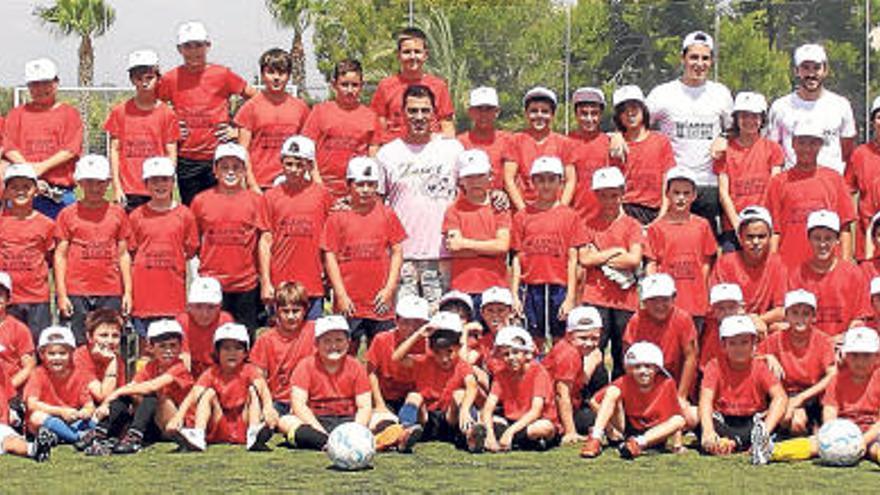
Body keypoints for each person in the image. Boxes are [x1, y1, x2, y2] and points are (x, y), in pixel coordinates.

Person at [639, 30, 733, 233]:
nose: (699, 64)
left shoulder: (721, 94)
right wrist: (618, 135)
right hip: (675, 186)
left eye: (705, 58)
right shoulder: (662, 94)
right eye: (694, 57)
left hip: (709, 186)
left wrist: (724, 137)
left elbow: (736, 130)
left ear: (712, 61)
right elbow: (637, 125)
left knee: (707, 250)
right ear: (682, 58)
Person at [377, 84, 462, 307]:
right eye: (413, 111)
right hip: (402, 258)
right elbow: (376, 206)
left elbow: (471, 192)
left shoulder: (452, 149)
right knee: (406, 326)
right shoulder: (387, 154)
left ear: (434, 113)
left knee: (441, 329)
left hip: (442, 256)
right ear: (402, 113)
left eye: (425, 111)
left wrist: (496, 196)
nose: (419, 117)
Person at [158, 21, 256, 205]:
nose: (193, 51)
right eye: (188, 46)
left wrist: (236, 130)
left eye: (198, 45)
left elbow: (256, 98)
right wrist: (170, 126)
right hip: (187, 158)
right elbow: (154, 108)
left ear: (208, 46)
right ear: (179, 49)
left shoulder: (223, 74)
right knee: (193, 213)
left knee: (222, 211)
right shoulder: (170, 78)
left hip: (220, 157)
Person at [323, 156, 405, 348]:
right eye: (360, 184)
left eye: (371, 184)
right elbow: (330, 256)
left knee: (381, 354)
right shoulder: (337, 218)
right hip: (350, 302)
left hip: (379, 302)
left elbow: (397, 250)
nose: (366, 190)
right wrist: (341, 295)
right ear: (349, 185)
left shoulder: (387, 214)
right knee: (344, 351)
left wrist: (389, 289)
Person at [768, 326, 880, 464]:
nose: (860, 361)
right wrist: (831, 433)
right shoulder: (837, 379)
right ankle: (770, 451)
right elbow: (830, 410)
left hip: (872, 432)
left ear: (877, 356)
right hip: (843, 431)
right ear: (845, 355)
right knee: (816, 443)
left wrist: (863, 440)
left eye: (866, 355)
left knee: (875, 449)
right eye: (854, 355)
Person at [82, 319, 193, 456]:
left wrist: (114, 394)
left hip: (176, 425)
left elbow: (151, 386)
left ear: (180, 347)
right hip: (155, 423)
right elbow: (132, 386)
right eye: (163, 346)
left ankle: (134, 437)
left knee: (151, 394)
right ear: (151, 347)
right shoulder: (150, 366)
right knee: (127, 396)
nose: (168, 351)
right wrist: (111, 400)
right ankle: (101, 432)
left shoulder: (179, 367)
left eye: (173, 346)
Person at [191, 143, 270, 333]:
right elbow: (193, 241)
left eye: (236, 167)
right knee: (212, 342)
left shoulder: (256, 201)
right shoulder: (201, 201)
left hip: (246, 284)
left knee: (244, 339)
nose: (230, 172)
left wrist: (265, 281)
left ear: (244, 170)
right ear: (215, 171)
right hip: (212, 284)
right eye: (224, 167)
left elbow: (263, 241)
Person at [54, 155, 132, 345]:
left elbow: (123, 254)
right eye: (89, 182)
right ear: (79, 182)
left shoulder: (118, 213)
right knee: (79, 343)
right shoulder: (67, 214)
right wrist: (62, 294)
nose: (95, 188)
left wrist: (128, 292)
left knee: (110, 343)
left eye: (100, 183)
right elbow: (60, 256)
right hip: (77, 290)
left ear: (108, 183)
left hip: (110, 289)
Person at [511, 156, 585, 351]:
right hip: (531, 287)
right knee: (533, 341)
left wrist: (570, 298)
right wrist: (515, 293)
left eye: (551, 179)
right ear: (532, 182)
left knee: (561, 340)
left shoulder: (570, 216)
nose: (546, 185)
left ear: (561, 182)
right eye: (541, 180)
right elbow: (517, 259)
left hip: (558, 286)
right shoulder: (522, 216)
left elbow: (573, 259)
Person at [765, 119, 855, 268]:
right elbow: (774, 231)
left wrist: (844, 265)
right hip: (790, 266)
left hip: (827, 268)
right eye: (802, 142)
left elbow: (845, 227)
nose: (807, 148)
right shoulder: (778, 182)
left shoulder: (834, 179)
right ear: (793, 144)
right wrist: (772, 266)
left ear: (820, 145)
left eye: (813, 143)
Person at [580, 166, 644, 378]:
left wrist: (600, 258)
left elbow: (633, 259)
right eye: (603, 196)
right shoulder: (588, 224)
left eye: (614, 195)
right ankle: (594, 396)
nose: (609, 201)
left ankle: (620, 399)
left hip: (625, 299)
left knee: (622, 352)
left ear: (622, 193)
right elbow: (585, 259)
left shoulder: (632, 225)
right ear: (596, 196)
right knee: (593, 352)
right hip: (595, 297)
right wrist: (616, 251)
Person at [172, 322, 275, 452]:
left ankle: (254, 433)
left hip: (242, 422)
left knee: (253, 392)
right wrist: (178, 416)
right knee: (208, 393)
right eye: (226, 348)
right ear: (217, 352)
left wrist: (268, 408)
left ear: (245, 353)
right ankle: (198, 434)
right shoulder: (211, 372)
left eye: (237, 348)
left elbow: (263, 389)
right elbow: (194, 394)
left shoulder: (250, 370)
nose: (232, 353)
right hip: (219, 423)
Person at [698, 315, 787, 465]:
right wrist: (708, 430)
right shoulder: (714, 365)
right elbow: (706, 399)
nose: (739, 348)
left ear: (754, 343)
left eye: (744, 342)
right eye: (732, 343)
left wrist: (765, 431)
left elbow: (781, 397)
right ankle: (726, 442)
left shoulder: (760, 367)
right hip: (723, 419)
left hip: (752, 420)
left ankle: (752, 441)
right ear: (723, 345)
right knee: (692, 415)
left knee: (784, 415)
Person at [128, 156, 199, 342]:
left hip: (173, 297)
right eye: (154, 180)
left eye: (165, 179)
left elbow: (190, 250)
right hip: (144, 296)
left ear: (173, 182)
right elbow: (131, 252)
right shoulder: (136, 216)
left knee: (173, 347)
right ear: (146, 184)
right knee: (147, 348)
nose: (160, 185)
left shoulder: (185, 215)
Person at [261, 136, 331, 320]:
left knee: (311, 338)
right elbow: (266, 240)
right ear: (281, 162)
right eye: (289, 163)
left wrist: (329, 274)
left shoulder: (322, 195)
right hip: (281, 281)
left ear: (310, 165)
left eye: (300, 164)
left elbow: (330, 238)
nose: (294, 170)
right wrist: (266, 281)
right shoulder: (270, 196)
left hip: (313, 281)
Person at [3, 57, 83, 219]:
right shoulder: (16, 114)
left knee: (61, 241)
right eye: (34, 84)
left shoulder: (69, 114)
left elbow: (70, 150)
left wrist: (41, 167)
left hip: (58, 195)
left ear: (56, 83)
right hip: (22, 193)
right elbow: (9, 147)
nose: (40, 89)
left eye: (45, 83)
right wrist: (29, 172)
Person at [277, 315, 372, 450]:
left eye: (339, 340)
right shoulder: (305, 366)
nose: (333, 346)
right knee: (285, 421)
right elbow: (299, 405)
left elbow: (364, 406)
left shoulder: (356, 366)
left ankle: (385, 440)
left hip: (349, 420)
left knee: (381, 418)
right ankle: (324, 442)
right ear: (316, 344)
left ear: (348, 342)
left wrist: (355, 431)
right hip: (316, 420)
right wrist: (319, 431)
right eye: (327, 341)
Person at [392, 311, 481, 453]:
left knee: (460, 394)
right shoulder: (424, 361)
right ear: (431, 349)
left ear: (458, 347)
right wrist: (418, 334)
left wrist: (464, 409)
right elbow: (397, 358)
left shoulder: (462, 364)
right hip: (426, 419)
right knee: (414, 395)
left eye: (449, 351)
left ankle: (471, 433)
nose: (444, 358)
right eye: (438, 353)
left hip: (450, 418)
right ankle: (405, 431)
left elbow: (472, 386)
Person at [581, 342, 686, 459]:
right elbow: (594, 401)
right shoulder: (625, 381)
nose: (643, 371)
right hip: (627, 429)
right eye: (637, 367)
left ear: (656, 368)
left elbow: (674, 412)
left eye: (648, 366)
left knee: (679, 420)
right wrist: (610, 429)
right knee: (612, 391)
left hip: (655, 432)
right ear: (630, 369)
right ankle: (595, 438)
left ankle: (638, 443)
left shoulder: (666, 384)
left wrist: (677, 443)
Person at [105, 49, 180, 211]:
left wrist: (166, 184)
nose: (144, 82)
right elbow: (115, 150)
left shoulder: (167, 113)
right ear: (132, 80)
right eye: (139, 78)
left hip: (156, 188)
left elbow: (171, 153)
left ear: (158, 78)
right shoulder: (120, 112)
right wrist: (117, 187)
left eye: (149, 77)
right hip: (129, 189)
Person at [768, 43, 856, 175]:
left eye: (816, 68)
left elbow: (847, 151)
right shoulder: (780, 107)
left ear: (825, 70)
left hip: (830, 186)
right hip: (792, 186)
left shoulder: (841, 105)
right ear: (796, 71)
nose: (811, 74)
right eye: (805, 68)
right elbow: (773, 151)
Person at [645, 166, 717, 328]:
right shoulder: (656, 228)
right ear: (667, 194)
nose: (681, 198)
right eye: (676, 193)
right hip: (666, 305)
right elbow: (652, 264)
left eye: (686, 193)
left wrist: (704, 293)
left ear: (694, 195)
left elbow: (707, 263)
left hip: (695, 303)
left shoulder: (702, 225)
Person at [758, 289, 836, 436]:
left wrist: (801, 398)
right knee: (789, 418)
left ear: (814, 317)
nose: (800, 318)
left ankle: (809, 429)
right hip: (784, 394)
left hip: (812, 395)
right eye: (794, 313)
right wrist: (767, 357)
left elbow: (832, 374)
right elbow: (751, 358)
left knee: (796, 422)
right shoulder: (776, 339)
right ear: (786, 316)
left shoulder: (823, 340)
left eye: (806, 313)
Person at [302, 59, 381, 198]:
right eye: (344, 85)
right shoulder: (319, 111)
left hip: (357, 191)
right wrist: (317, 182)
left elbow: (373, 157)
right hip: (322, 189)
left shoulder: (371, 116)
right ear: (334, 85)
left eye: (355, 85)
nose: (350, 90)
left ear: (362, 86)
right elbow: (307, 152)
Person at [443, 149, 511, 310]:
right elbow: (454, 248)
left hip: (496, 286)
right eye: (469, 177)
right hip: (463, 287)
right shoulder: (454, 210)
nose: (475, 182)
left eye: (480, 176)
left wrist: (465, 244)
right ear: (461, 181)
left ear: (490, 177)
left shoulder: (499, 208)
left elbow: (502, 247)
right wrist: (490, 248)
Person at [715, 92, 783, 252]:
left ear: (762, 119)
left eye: (755, 116)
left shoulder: (773, 149)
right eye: (744, 116)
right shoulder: (725, 150)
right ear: (736, 119)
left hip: (763, 226)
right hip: (734, 226)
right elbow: (723, 192)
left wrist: (763, 222)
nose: (750, 121)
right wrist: (738, 225)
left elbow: (774, 189)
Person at [235, 48, 310, 191]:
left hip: (292, 183)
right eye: (271, 72)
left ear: (289, 76)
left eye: (281, 73)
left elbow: (307, 149)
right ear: (262, 75)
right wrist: (252, 184)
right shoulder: (250, 108)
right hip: (260, 184)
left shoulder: (301, 108)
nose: (276, 77)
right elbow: (242, 151)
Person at [787, 210, 869, 338]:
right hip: (809, 344)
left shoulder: (853, 274)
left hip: (844, 345)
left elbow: (861, 317)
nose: (822, 244)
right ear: (809, 239)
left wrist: (844, 338)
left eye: (828, 238)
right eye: (817, 238)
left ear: (837, 240)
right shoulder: (797, 275)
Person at [481, 326, 558, 452]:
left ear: (527, 354)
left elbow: (535, 411)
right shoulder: (501, 374)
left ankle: (509, 439)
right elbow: (488, 407)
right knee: (485, 419)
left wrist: (510, 432)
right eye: (506, 354)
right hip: (513, 421)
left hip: (534, 421)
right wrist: (489, 435)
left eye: (516, 352)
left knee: (543, 428)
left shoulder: (538, 372)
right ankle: (506, 440)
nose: (511, 358)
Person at [370, 27, 455, 142]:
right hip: (395, 150)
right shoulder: (385, 86)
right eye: (407, 52)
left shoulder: (439, 86)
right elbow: (378, 125)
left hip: (429, 150)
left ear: (425, 55)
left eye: (417, 52)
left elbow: (447, 124)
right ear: (398, 55)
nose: (412, 56)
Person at [710, 206, 786, 334]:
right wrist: (747, 323)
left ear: (769, 237)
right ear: (740, 237)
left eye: (761, 236)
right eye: (750, 237)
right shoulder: (725, 263)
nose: (756, 242)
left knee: (781, 327)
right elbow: (717, 307)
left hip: (762, 325)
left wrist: (757, 320)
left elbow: (782, 309)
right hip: (730, 326)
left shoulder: (777, 263)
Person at [622, 273, 698, 402]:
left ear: (674, 298)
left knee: (690, 416)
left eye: (664, 299)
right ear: (644, 302)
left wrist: (681, 396)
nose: (659, 305)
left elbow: (691, 357)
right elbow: (628, 356)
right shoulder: (637, 320)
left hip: (674, 379)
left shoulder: (682, 319)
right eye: (653, 300)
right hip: (645, 377)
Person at [1, 164, 55, 338]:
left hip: (37, 298)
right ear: (6, 192)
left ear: (36, 191)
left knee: (38, 347)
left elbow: (52, 258)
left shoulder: (47, 224)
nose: (20, 191)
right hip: (7, 299)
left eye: (26, 186)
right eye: (14, 187)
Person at [542, 306, 608, 445]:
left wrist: (593, 362)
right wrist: (570, 431)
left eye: (594, 338)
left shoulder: (575, 349)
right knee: (597, 420)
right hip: (551, 410)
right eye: (583, 338)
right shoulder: (568, 354)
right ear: (569, 334)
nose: (589, 343)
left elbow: (578, 382)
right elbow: (561, 394)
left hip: (569, 402)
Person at [610, 85, 674, 225]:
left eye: (634, 107)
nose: (630, 113)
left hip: (655, 211)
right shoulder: (616, 144)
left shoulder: (660, 142)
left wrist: (661, 216)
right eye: (623, 110)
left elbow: (667, 182)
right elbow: (614, 187)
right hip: (625, 210)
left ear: (643, 110)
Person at [250, 281, 316, 418]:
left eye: (296, 311)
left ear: (305, 309)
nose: (291, 316)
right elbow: (258, 376)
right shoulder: (266, 339)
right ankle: (255, 430)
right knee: (253, 391)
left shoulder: (315, 331)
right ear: (276, 310)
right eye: (285, 311)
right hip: (277, 400)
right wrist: (267, 405)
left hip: (308, 399)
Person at [503, 87, 576, 211]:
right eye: (534, 111)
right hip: (526, 209)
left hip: (555, 209)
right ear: (526, 113)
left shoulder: (564, 143)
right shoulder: (515, 141)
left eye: (545, 111)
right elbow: (509, 178)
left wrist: (561, 210)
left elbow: (570, 180)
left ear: (552, 115)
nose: (539, 115)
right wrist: (523, 211)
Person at [24, 326, 96, 445]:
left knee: (95, 418)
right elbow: (32, 404)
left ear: (72, 353)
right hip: (49, 418)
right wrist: (60, 411)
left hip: (71, 419)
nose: (57, 358)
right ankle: (78, 437)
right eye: (51, 354)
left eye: (62, 353)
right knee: (36, 417)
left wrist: (84, 412)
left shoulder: (79, 373)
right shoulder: (38, 373)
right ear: (42, 355)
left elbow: (89, 405)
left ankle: (62, 435)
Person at [178, 277, 234, 379]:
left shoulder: (225, 320)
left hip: (216, 373)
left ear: (220, 306)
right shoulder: (183, 321)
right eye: (198, 306)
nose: (204, 314)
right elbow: (183, 357)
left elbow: (229, 358)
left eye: (211, 307)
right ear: (189, 306)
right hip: (190, 373)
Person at [567, 87, 610, 220]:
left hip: (604, 219)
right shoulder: (566, 143)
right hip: (576, 218)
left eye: (594, 113)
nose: (589, 119)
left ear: (601, 114)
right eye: (584, 113)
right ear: (576, 114)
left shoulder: (609, 142)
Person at [458, 86, 511, 192]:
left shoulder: (508, 140)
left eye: (488, 109)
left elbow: (511, 179)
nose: (483, 114)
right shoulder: (459, 143)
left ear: (497, 112)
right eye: (479, 109)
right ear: (470, 112)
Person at [847, 95, 880, 260]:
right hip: (866, 246)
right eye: (879, 116)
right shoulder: (860, 154)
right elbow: (848, 192)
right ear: (873, 121)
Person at [0, 360, 52, 462]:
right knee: (9, 442)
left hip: (3, 424)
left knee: (12, 440)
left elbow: (9, 395)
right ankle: (33, 449)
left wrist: (12, 412)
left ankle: (37, 448)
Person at [74, 309, 125, 405]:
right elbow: (102, 396)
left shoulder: (117, 358)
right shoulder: (80, 357)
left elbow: (116, 395)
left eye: (115, 336)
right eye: (104, 335)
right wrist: (111, 362)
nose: (110, 341)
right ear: (89, 337)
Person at [0, 272, 35, 399]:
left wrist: (6, 389)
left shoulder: (19, 329)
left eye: (0, 295)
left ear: (8, 300)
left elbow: (29, 367)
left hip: (11, 391)